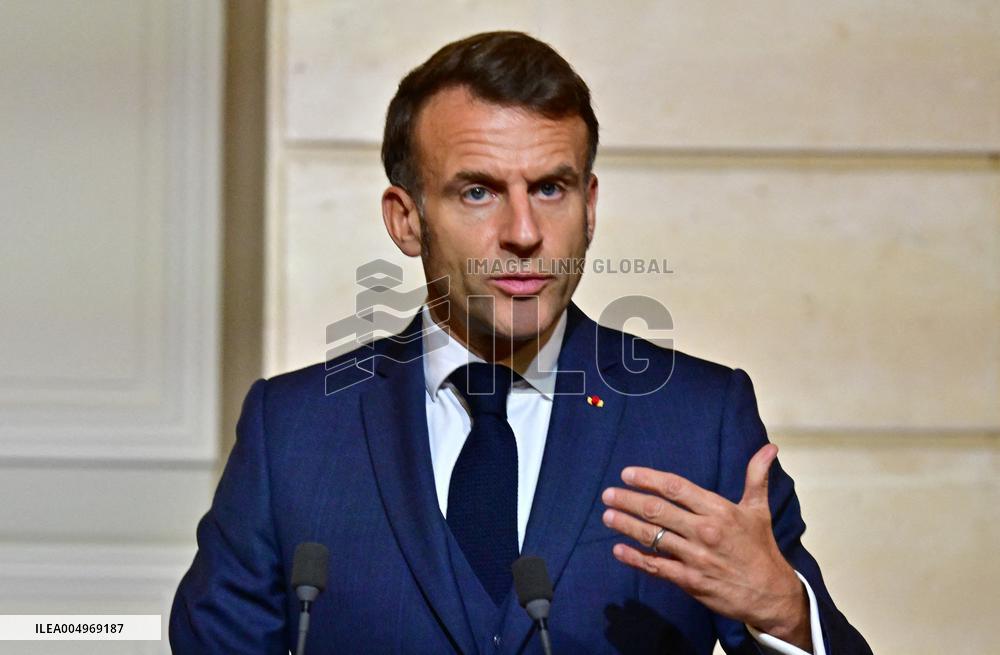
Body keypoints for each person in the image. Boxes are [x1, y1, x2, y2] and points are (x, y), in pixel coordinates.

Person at [170, 31, 872, 654]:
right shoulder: (293, 430)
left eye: (550, 188)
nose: (525, 232)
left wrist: (784, 611)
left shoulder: (700, 420)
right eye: (478, 192)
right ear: (406, 219)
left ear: (589, 207)